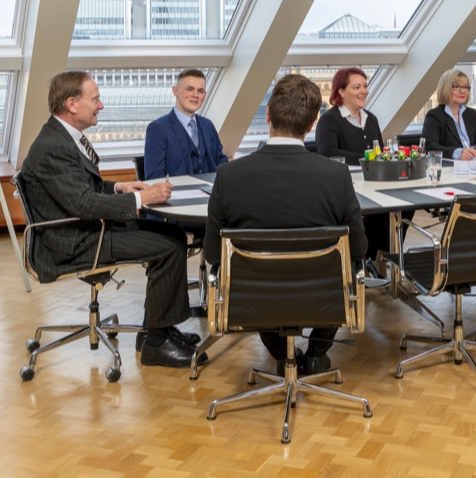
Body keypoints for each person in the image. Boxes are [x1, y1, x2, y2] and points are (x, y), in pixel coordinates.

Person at [20, 70, 205, 368]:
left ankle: (157, 330)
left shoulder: (62, 137)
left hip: (85, 229)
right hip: (74, 242)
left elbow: (81, 189)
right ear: (71, 104)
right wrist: (142, 198)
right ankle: (156, 344)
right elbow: (83, 203)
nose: (101, 105)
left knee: (170, 235)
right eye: (95, 99)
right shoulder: (53, 147)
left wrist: (120, 187)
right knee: (168, 247)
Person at [205, 74, 366, 376]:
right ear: (311, 124)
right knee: (340, 267)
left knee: (261, 275)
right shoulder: (335, 176)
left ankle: (281, 355)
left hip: (254, 302)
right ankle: (317, 353)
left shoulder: (229, 176)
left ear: (268, 115)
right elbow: (359, 247)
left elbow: (213, 255)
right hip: (323, 298)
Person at [315, 67, 396, 266]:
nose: (364, 91)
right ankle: (363, 259)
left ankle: (380, 257)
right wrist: (366, 159)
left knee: (399, 209)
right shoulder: (329, 120)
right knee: (374, 212)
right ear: (341, 92)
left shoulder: (371, 119)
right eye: (357, 87)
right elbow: (328, 154)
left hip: (373, 183)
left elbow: (380, 152)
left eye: (365, 86)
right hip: (346, 188)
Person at [143, 68, 228, 180]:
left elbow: (222, 164)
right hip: (176, 195)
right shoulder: (158, 129)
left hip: (213, 194)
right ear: (175, 91)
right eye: (189, 89)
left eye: (200, 91)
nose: (195, 95)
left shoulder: (208, 125)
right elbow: (154, 178)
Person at [422, 68, 476, 160]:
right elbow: (430, 147)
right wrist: (458, 153)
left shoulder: (473, 115)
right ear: (445, 88)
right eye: (457, 87)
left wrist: (475, 150)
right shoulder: (434, 116)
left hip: (474, 165)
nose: (462, 91)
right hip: (449, 168)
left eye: (466, 87)